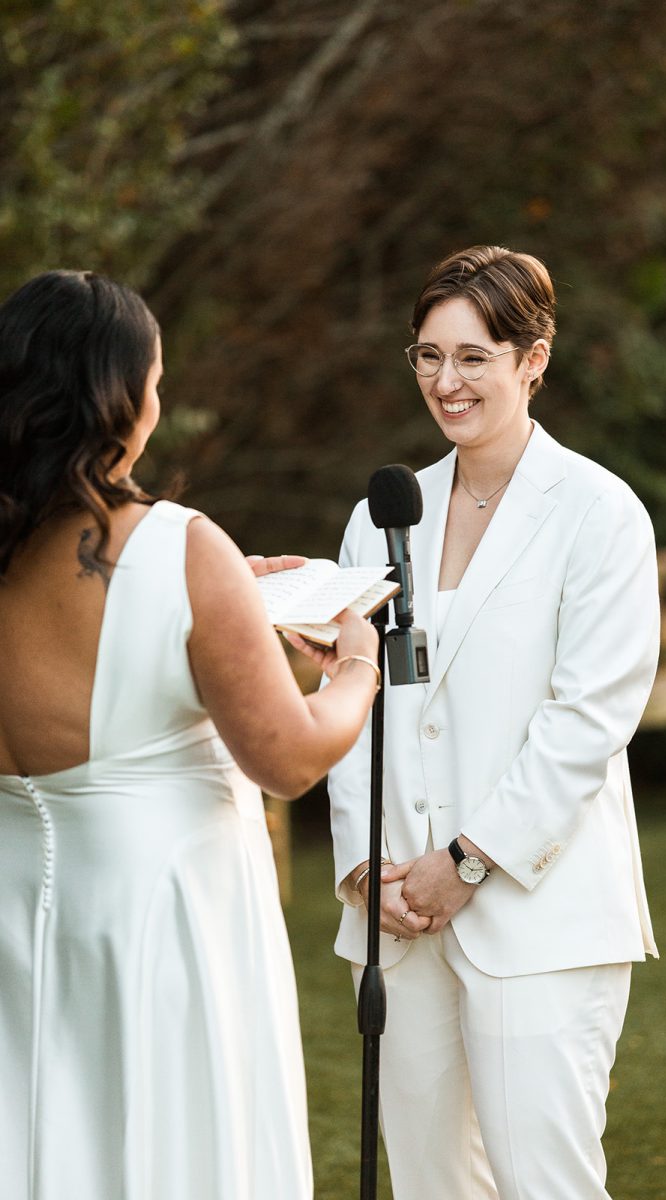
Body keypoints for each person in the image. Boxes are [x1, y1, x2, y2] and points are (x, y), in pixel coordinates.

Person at [0, 270, 380, 1200]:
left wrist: (226, 607)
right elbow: (289, 757)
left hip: (13, 900)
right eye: (157, 383)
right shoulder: (178, 545)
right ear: (119, 399)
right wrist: (357, 669)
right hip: (158, 915)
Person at [297, 245, 660, 1200]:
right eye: (427, 357)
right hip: (401, 922)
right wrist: (363, 868)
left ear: (533, 358)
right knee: (429, 1185)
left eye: (473, 358)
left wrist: (467, 860)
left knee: (546, 1181)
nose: (445, 383)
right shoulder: (381, 515)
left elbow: (590, 718)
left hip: (538, 912)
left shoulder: (599, 512)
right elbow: (355, 692)